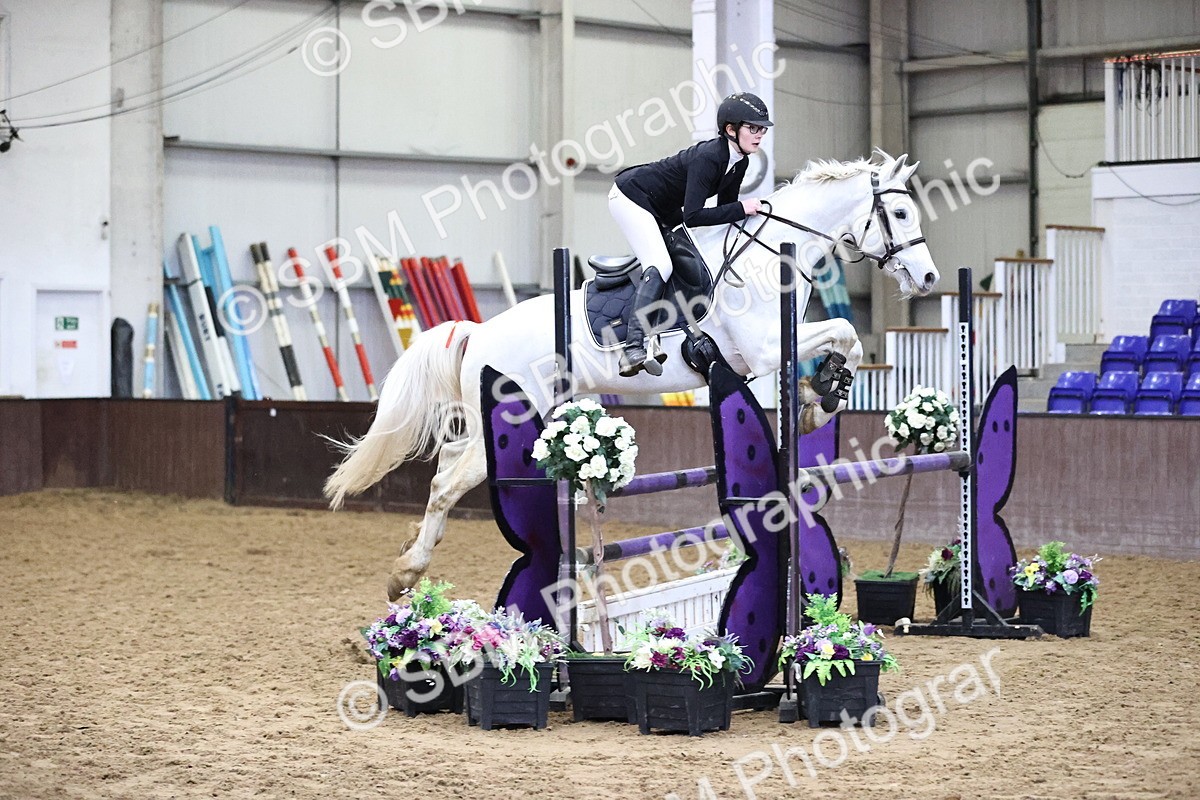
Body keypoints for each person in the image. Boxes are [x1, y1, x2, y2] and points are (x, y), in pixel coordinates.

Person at [608, 91, 772, 377]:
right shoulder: (709, 157)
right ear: (730, 129)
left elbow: (724, 212)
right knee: (660, 264)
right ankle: (632, 348)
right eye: (752, 128)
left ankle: (660, 330)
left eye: (762, 129)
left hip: (662, 207)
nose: (759, 135)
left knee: (688, 261)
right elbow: (693, 216)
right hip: (631, 196)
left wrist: (746, 218)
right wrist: (742, 208)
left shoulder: (739, 162)